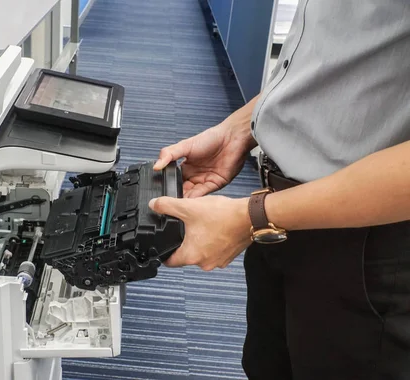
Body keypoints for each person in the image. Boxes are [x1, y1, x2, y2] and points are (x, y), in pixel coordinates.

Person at [150, 2, 410, 380]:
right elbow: (338, 60)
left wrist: (253, 217)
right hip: (280, 217)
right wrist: (243, 127)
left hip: (369, 248)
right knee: (267, 366)